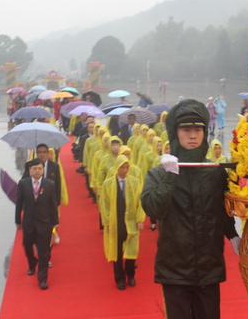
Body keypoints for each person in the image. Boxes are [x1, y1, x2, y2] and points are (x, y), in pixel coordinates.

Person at [141, 99, 240, 319]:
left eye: (198, 130)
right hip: (175, 269)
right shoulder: (158, 174)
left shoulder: (214, 172)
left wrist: (232, 234)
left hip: (209, 267)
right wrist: (170, 177)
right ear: (175, 133)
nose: (193, 135)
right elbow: (154, 209)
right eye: (186, 130)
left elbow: (223, 211)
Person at [101, 155, 145, 290]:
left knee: (132, 251)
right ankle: (120, 279)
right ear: (117, 168)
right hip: (116, 222)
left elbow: (140, 202)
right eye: (122, 167)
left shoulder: (135, 182)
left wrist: (140, 219)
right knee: (117, 252)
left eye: (127, 167)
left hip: (131, 222)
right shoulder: (108, 184)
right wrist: (108, 223)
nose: (124, 170)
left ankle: (130, 274)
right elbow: (105, 205)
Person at [15, 158, 59, 290]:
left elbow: (53, 205)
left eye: (40, 168)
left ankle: (42, 279)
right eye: (34, 169)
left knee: (44, 252)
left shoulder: (49, 184)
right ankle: (32, 262)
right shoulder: (23, 184)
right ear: (30, 170)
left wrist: (55, 222)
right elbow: (19, 203)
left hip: (44, 223)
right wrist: (18, 220)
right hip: (28, 222)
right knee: (27, 246)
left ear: (43, 169)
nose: (37, 171)